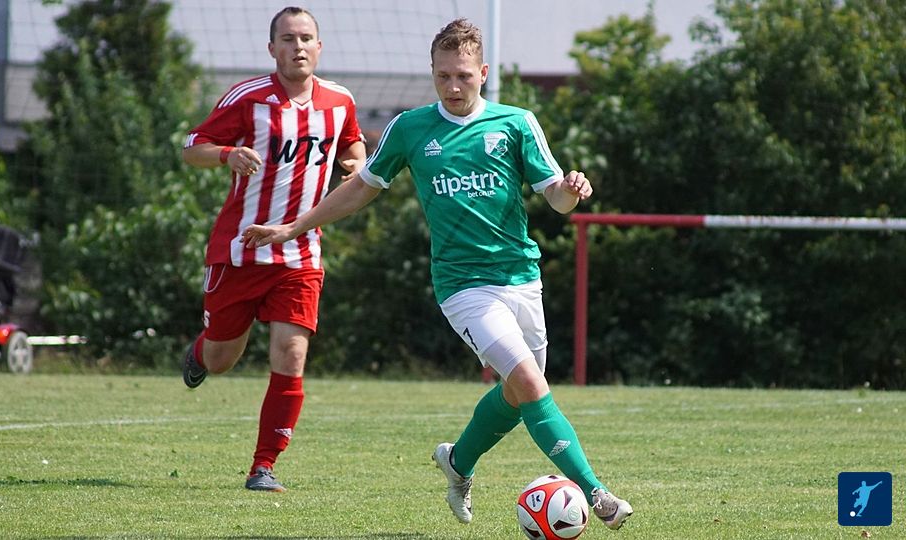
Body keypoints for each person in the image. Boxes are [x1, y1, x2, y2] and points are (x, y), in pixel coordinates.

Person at [241, 18, 633, 529]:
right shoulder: (411, 128)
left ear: (483, 74)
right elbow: (360, 188)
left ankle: (458, 461)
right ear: (432, 71)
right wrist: (295, 226)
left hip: (522, 278)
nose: (452, 86)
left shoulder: (517, 123)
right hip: (463, 286)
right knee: (529, 383)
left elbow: (556, 199)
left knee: (518, 396)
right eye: (443, 75)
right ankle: (596, 493)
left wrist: (572, 189)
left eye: (463, 76)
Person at [180, 6, 366, 492]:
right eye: (288, 39)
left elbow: (353, 147)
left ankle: (263, 466)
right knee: (222, 358)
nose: (297, 47)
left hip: (300, 253)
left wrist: (354, 164)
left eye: (305, 38)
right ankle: (200, 353)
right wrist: (227, 154)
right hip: (240, 251)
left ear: (319, 47)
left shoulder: (340, 101)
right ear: (272, 49)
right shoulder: (248, 98)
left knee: (291, 352)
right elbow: (192, 147)